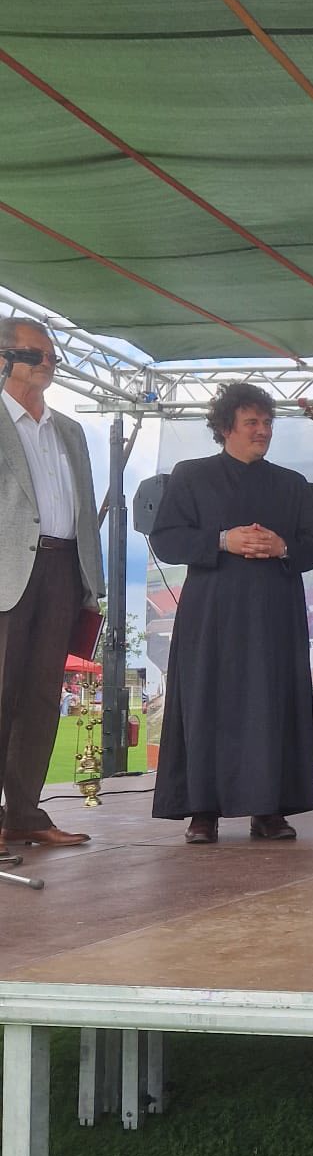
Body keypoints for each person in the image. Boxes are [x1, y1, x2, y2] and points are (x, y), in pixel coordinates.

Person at [150, 382, 313, 842]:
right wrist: (222, 540)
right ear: (225, 427)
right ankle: (202, 811)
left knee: (270, 706)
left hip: (274, 614)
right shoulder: (191, 475)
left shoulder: (291, 484)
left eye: (267, 422)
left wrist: (283, 546)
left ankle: (268, 809)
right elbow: (166, 539)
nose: (262, 430)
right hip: (212, 613)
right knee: (206, 703)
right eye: (252, 422)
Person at [0, 318, 104, 848]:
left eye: (52, 357)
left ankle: (24, 814)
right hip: (7, 575)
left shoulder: (70, 430)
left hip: (63, 569)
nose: (47, 364)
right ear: (4, 358)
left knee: (43, 696)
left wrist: (92, 583)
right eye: (36, 354)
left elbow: (85, 508)